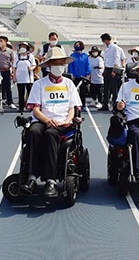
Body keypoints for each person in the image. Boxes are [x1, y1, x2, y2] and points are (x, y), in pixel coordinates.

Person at [21, 47, 81, 197]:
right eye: (55, 63)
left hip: (62, 123)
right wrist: (47, 120)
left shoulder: (69, 84)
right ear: (48, 65)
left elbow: (72, 109)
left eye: (61, 63)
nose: (59, 66)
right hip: (42, 119)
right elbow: (35, 109)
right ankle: (32, 178)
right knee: (33, 132)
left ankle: (51, 180)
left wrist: (66, 121)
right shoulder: (39, 84)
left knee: (50, 135)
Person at [99, 33, 126, 111]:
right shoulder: (107, 48)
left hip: (113, 69)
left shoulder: (115, 48)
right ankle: (105, 105)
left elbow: (116, 59)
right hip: (107, 68)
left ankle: (115, 105)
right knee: (106, 88)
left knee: (114, 89)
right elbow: (106, 60)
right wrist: (104, 70)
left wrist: (114, 70)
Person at [0, 36, 17, 109]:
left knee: (8, 88)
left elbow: (13, 62)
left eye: (1, 41)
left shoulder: (10, 51)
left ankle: (10, 102)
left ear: (5, 42)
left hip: (6, 71)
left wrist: (13, 73)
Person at [13, 42, 36, 113]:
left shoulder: (30, 56)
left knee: (30, 93)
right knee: (21, 93)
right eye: (21, 47)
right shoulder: (17, 56)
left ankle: (31, 106)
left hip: (28, 78)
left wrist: (31, 68)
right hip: (20, 78)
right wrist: (14, 76)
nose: (22, 48)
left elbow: (34, 65)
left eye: (24, 47)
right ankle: (21, 107)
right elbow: (14, 67)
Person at [68, 40, 90, 108]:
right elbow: (70, 65)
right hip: (74, 76)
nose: (77, 46)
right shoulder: (72, 55)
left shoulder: (85, 56)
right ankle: (74, 104)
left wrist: (88, 74)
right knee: (74, 91)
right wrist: (71, 74)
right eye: (76, 45)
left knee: (82, 92)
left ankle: (82, 105)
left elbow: (87, 65)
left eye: (78, 45)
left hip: (82, 77)